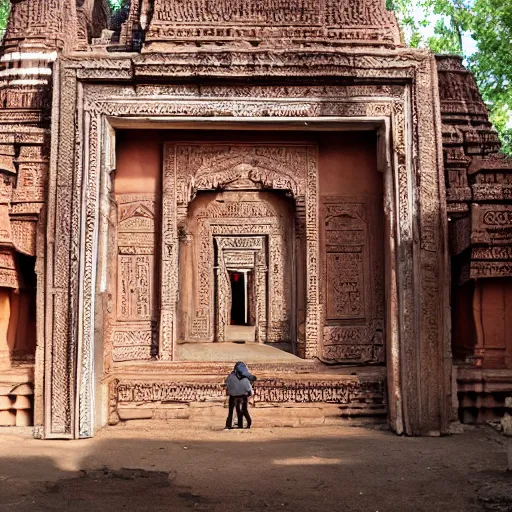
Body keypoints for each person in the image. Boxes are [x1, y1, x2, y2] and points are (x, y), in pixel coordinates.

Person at [224, 362, 255, 429]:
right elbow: (248, 387)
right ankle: (245, 424)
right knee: (243, 410)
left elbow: (227, 384)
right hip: (243, 396)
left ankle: (229, 425)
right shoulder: (245, 377)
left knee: (232, 410)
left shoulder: (231, 376)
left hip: (233, 396)